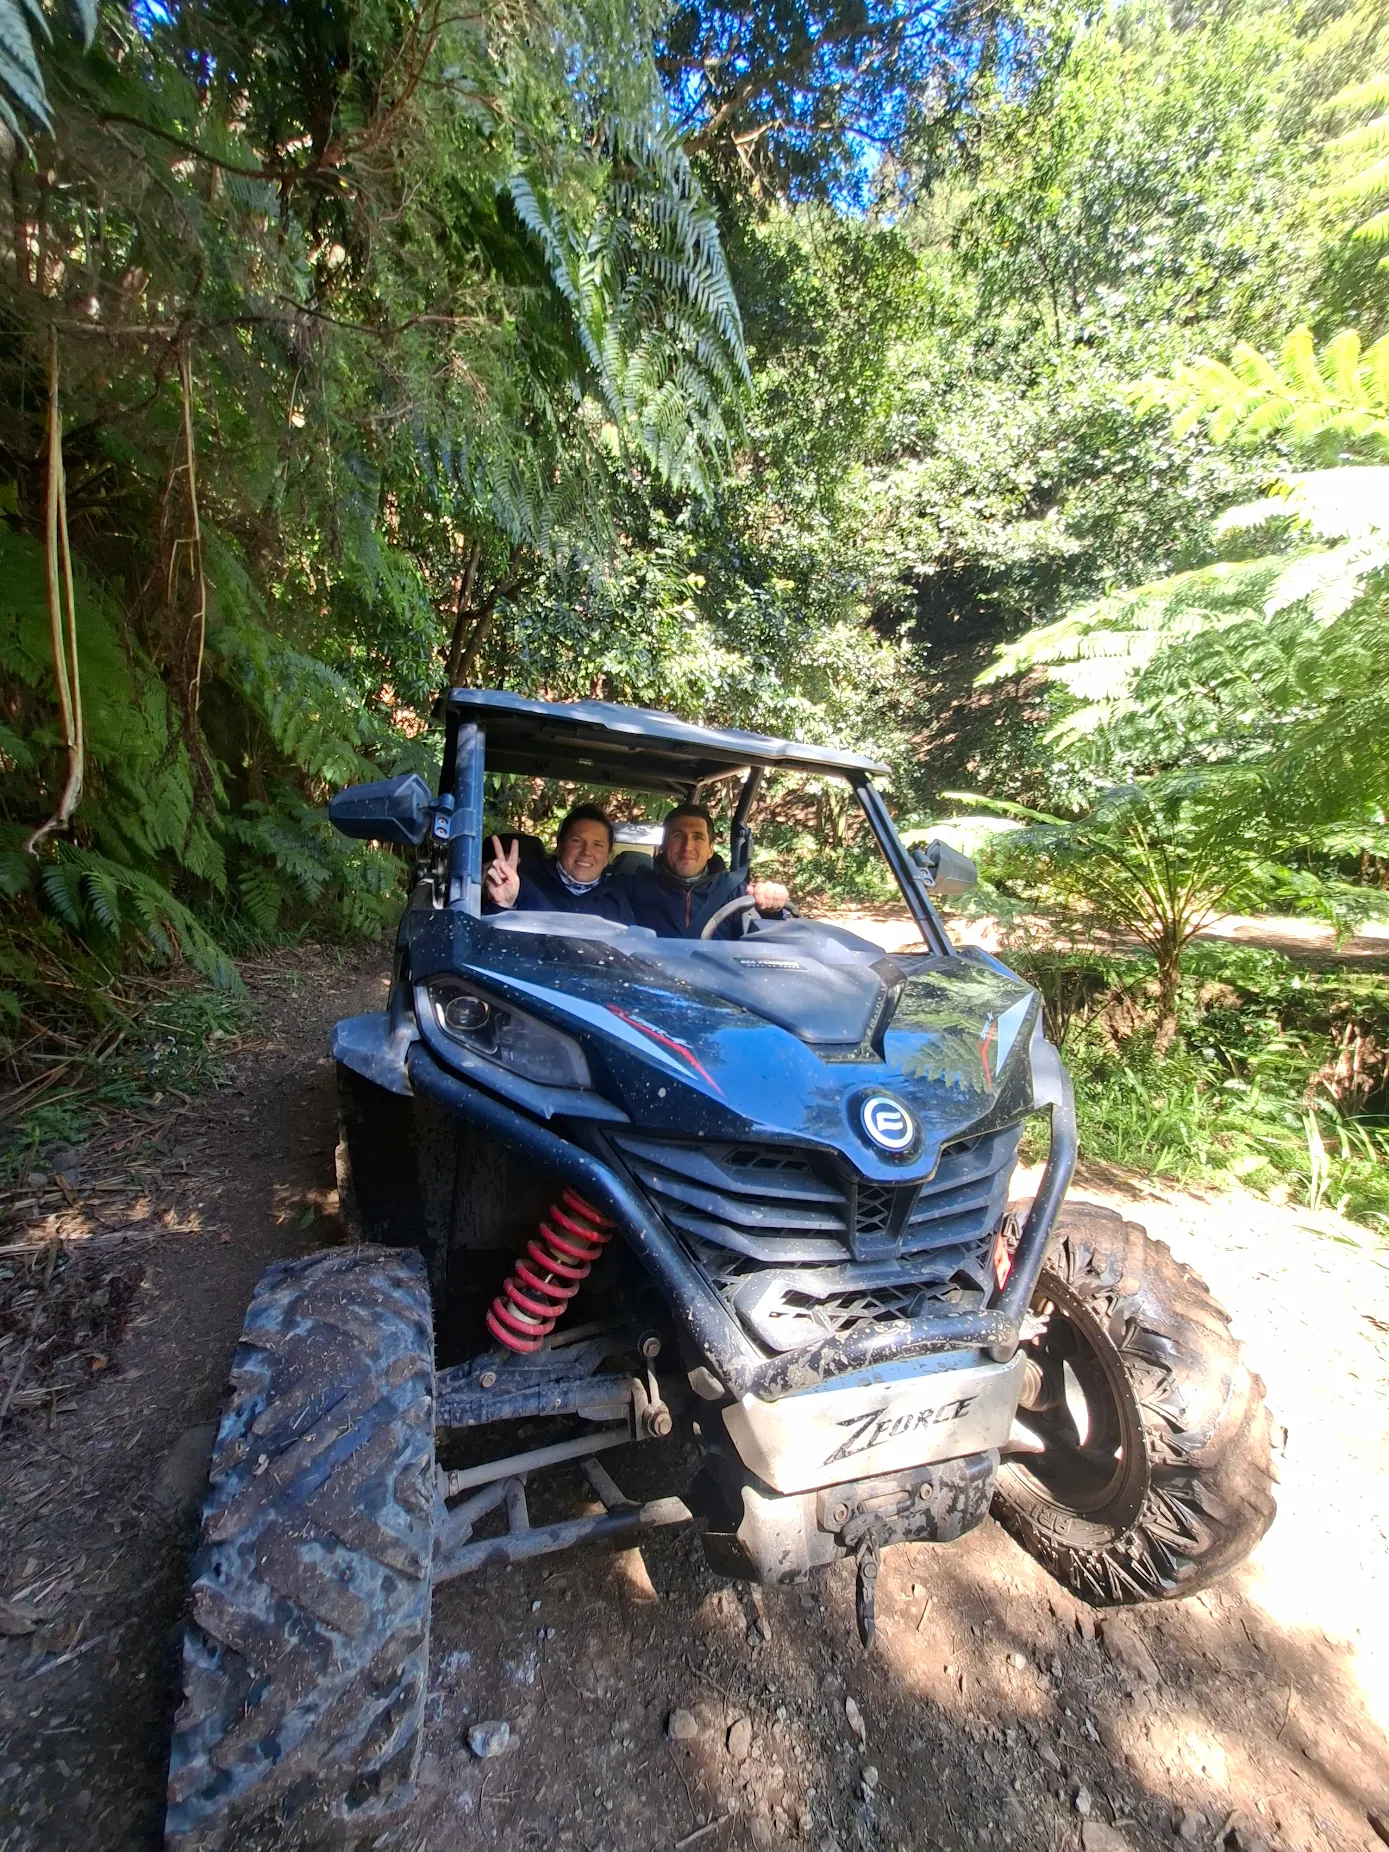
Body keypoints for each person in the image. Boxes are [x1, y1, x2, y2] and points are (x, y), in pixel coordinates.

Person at [618, 803, 789, 939]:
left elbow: (765, 942)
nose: (687, 847)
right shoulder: (631, 888)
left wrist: (771, 906)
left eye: (698, 837)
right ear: (663, 845)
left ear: (710, 849)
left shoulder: (735, 892)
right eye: (678, 836)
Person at [483, 805, 633, 922]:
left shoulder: (617, 902)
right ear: (559, 847)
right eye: (577, 841)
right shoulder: (518, 881)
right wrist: (501, 905)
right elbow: (489, 940)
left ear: (608, 856)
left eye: (597, 845)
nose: (587, 852)